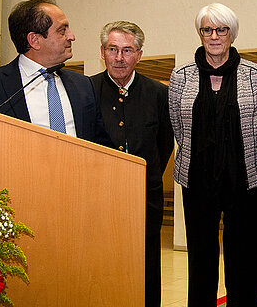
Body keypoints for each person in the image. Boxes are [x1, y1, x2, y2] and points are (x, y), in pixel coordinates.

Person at [168, 3, 257, 307]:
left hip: (245, 181)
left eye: (221, 29)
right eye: (207, 29)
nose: (214, 36)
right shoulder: (180, 77)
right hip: (196, 181)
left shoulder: (256, 75)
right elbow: (177, 124)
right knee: (200, 258)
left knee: (243, 259)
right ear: (200, 34)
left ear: (232, 34)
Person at [90, 21, 174, 307]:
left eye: (127, 50)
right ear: (102, 52)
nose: (119, 57)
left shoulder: (158, 93)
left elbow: (163, 144)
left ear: (139, 54)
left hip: (145, 197)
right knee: (102, 265)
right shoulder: (87, 90)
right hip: (98, 197)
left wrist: (145, 178)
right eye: (113, 49)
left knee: (147, 263)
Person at [0, 0, 111, 147]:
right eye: (62, 30)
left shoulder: (83, 85)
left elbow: (101, 143)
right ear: (34, 40)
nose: (72, 36)